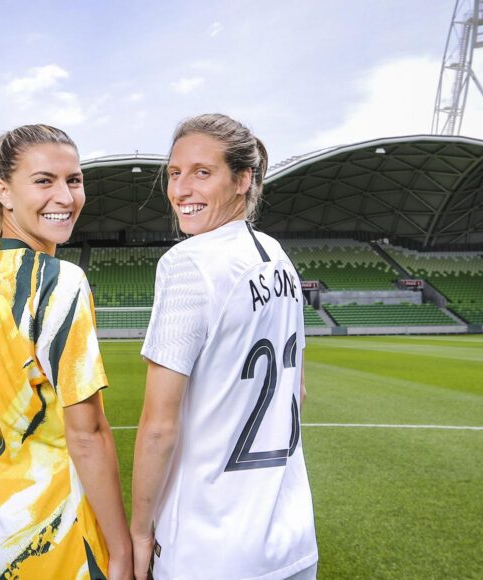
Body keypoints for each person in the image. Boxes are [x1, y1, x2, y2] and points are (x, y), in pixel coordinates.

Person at [0, 124, 132, 579]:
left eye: (74, 180)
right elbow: (87, 433)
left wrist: (11, 441)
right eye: (44, 181)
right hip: (54, 538)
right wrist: (121, 550)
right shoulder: (58, 282)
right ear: (3, 191)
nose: (65, 196)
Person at [130, 114, 317, 580]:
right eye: (175, 173)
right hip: (292, 541)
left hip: (209, 548)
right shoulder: (279, 258)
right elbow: (298, 391)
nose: (181, 189)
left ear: (243, 179)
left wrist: (139, 531)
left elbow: (158, 428)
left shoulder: (188, 263)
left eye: (202, 172)